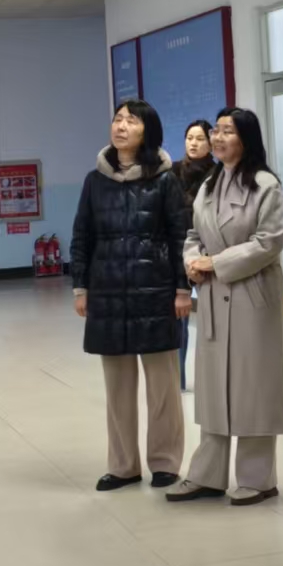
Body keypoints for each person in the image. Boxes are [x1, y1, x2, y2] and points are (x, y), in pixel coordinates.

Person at [168, 108, 283, 505]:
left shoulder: (265, 185)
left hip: (253, 295)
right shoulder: (210, 183)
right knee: (213, 386)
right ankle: (208, 474)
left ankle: (258, 477)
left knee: (254, 386)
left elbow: (269, 241)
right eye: (216, 131)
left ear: (246, 139)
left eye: (227, 132)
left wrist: (215, 263)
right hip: (214, 296)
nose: (217, 138)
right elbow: (193, 234)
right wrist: (192, 260)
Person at [70, 100, 192, 492]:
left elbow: (181, 236)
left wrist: (182, 289)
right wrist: (81, 287)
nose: (121, 126)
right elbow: (82, 236)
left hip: (155, 291)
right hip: (108, 292)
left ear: (147, 131)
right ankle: (122, 466)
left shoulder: (165, 180)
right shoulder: (95, 180)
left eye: (131, 121)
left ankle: (165, 462)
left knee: (163, 388)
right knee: (117, 389)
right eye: (117, 119)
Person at [173, 119, 217, 392]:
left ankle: (214, 377)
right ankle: (177, 379)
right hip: (177, 250)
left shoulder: (217, 175)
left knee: (213, 318)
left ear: (210, 144)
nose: (193, 143)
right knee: (178, 317)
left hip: (208, 252)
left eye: (200, 139)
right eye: (190, 137)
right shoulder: (173, 172)